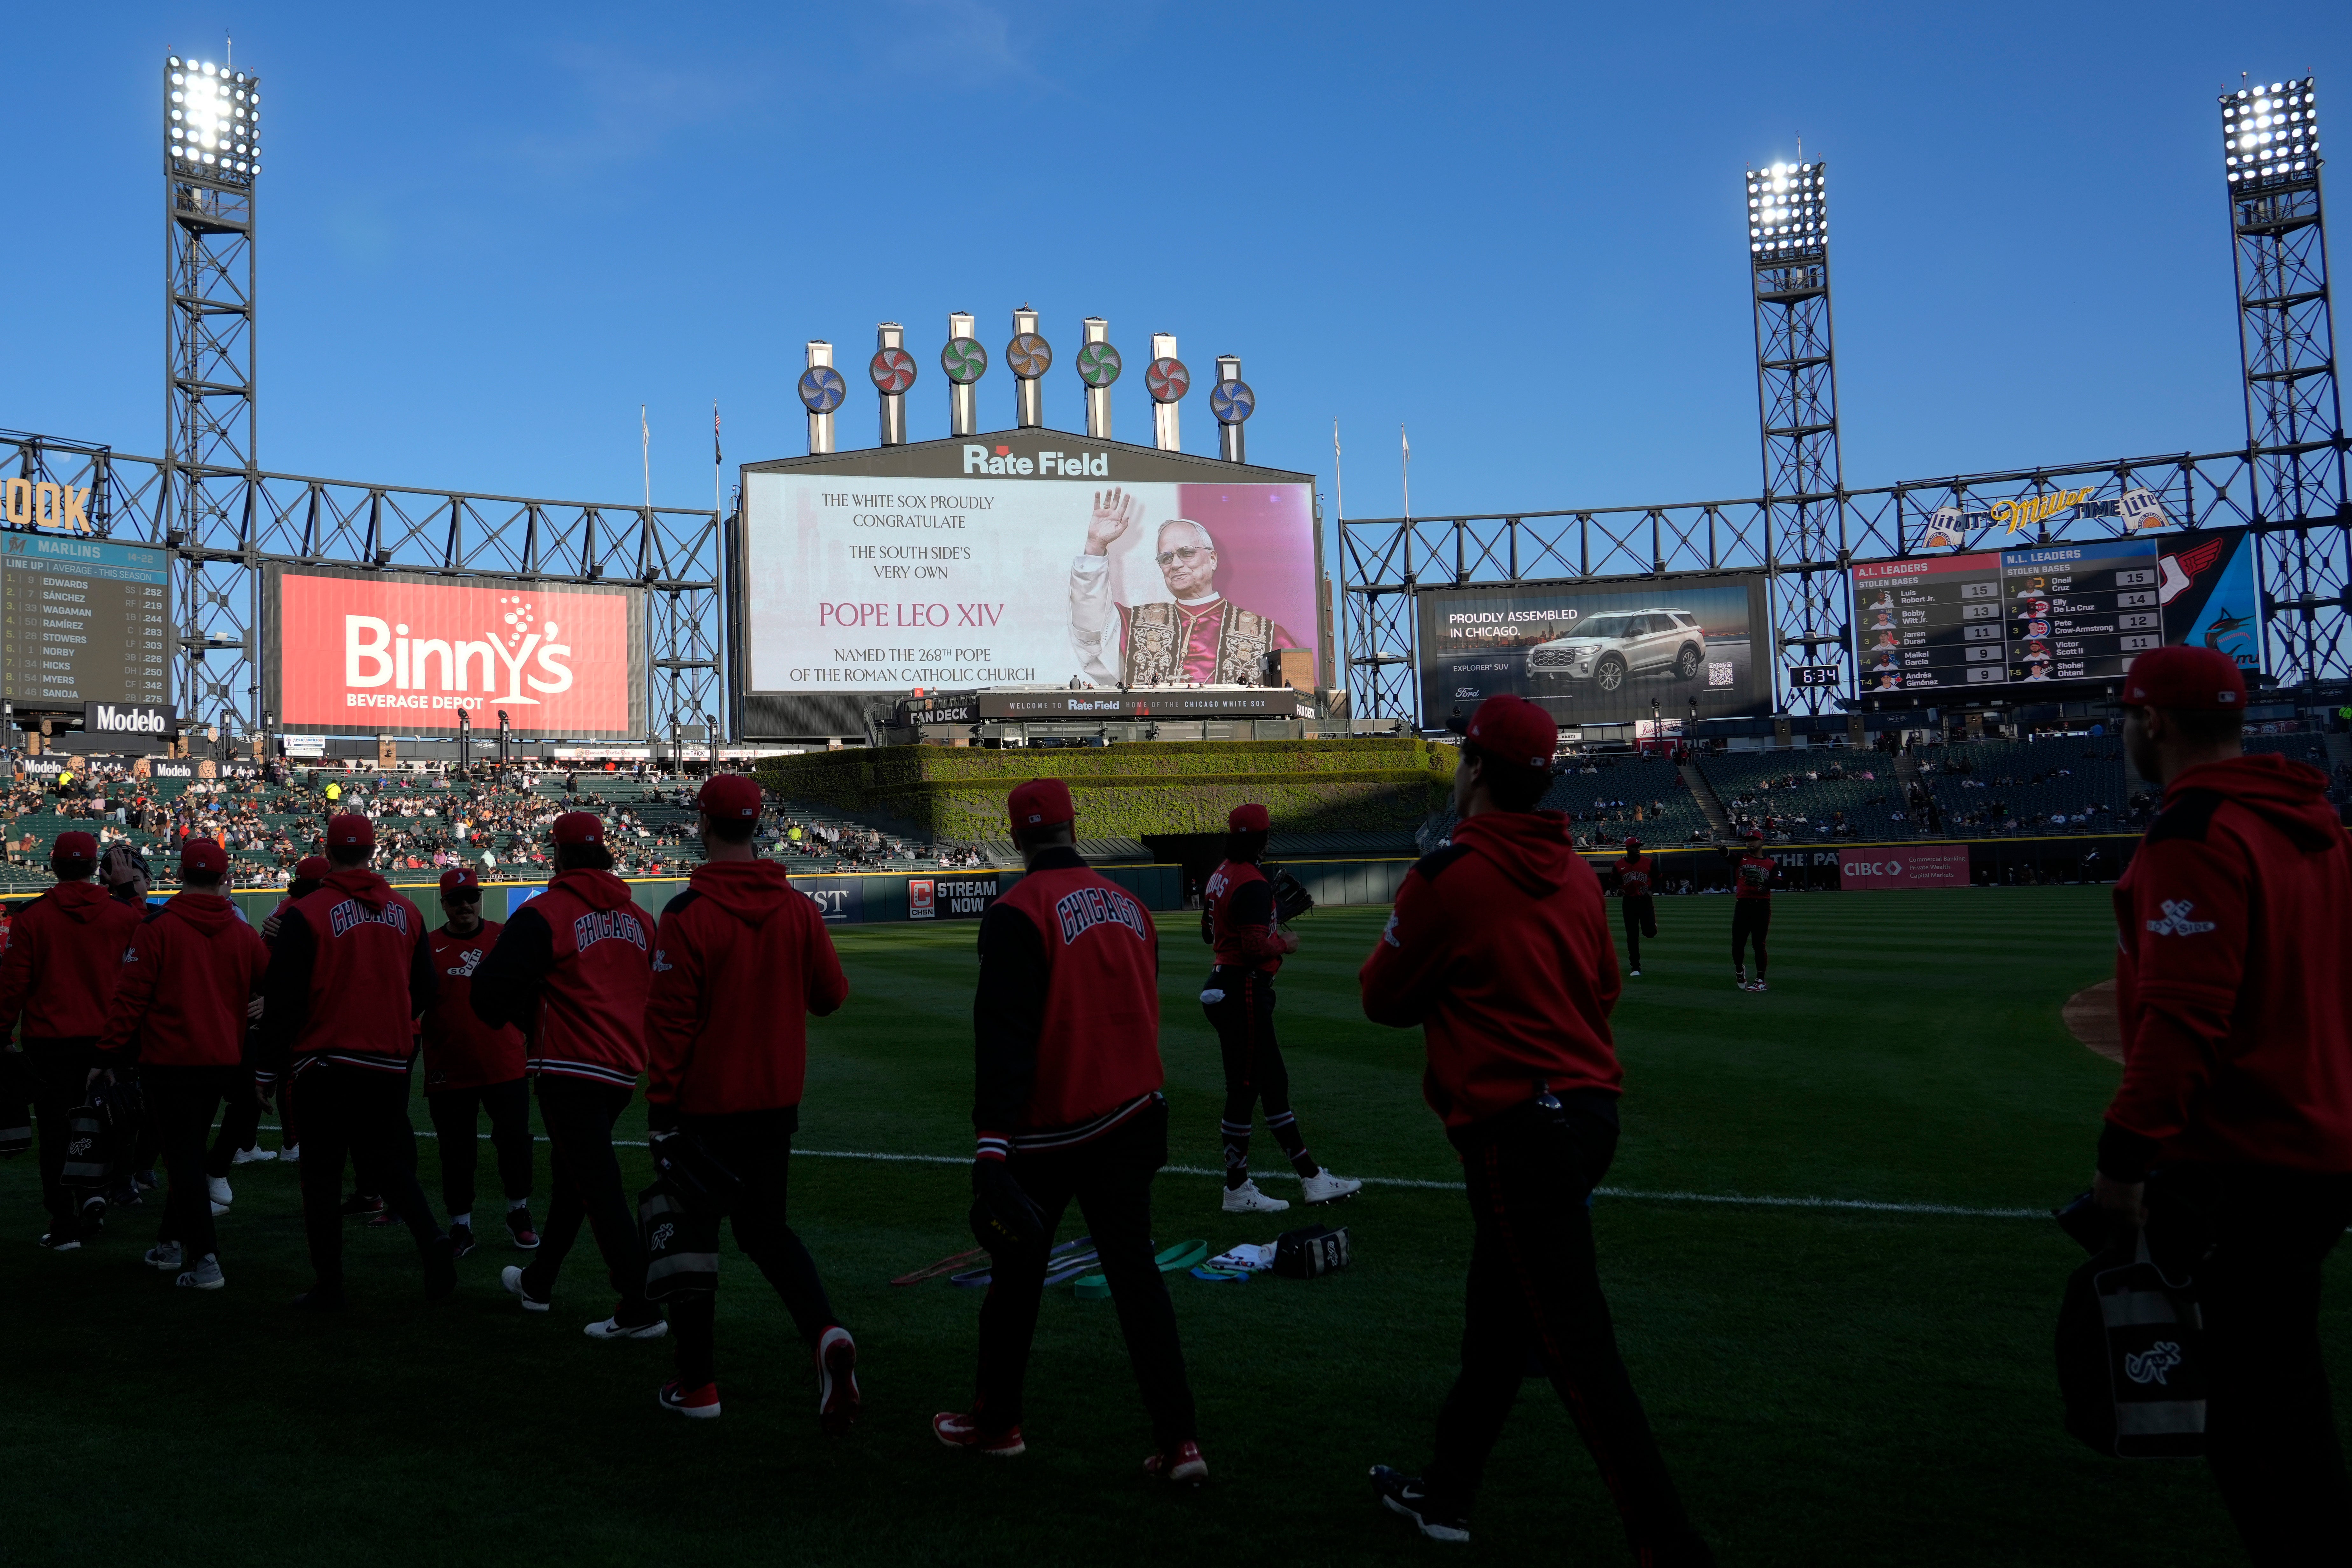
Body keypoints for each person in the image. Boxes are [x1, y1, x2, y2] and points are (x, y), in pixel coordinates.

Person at [1359, 694, 1710, 1562]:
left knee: (1576, 1346)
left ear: (1477, 769)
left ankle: (1668, 1544)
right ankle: (1445, 1493)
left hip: (1521, 1132)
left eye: (1463, 756)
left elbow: (1382, 998)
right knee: (1497, 1326)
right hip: (1587, 1115)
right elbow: (1603, 989)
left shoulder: (1449, 874)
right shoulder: (1577, 873)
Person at [2091, 644, 2352, 1565]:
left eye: (2129, 718)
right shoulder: (2313, 818)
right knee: (2283, 1395)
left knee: (2258, 1426)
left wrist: (2123, 1158)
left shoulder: (2194, 830)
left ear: (2152, 722)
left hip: (2244, 1158)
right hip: (2319, 1142)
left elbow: (2184, 1019)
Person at [934, 778, 1205, 1484]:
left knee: (1014, 1282)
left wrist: (990, 1145)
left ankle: (998, 1425)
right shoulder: (1131, 905)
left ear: (1015, 837)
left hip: (1050, 1134)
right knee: (1136, 1280)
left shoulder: (1016, 910)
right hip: (1134, 1116)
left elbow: (1003, 1036)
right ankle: (1181, 1443)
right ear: (1073, 827)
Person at [642, 773, 857, 1425]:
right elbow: (831, 996)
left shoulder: (687, 913)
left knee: (692, 1240)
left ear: (704, 825)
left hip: (704, 1110)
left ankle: (698, 1385)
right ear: (757, 824)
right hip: (773, 1106)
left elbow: (670, 1025)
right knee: (766, 1231)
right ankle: (824, 1330)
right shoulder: (797, 908)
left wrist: (660, 1112)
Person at [471, 811, 661, 1340]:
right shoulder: (641, 917)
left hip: (569, 1065)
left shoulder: (545, 912)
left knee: (597, 1185)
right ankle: (538, 1282)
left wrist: (528, 1016)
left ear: (556, 854)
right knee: (573, 1180)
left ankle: (640, 1306)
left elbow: (487, 994)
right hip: (622, 1069)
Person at [256, 814, 456, 1309]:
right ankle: (432, 1238)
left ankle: (329, 1284)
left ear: (328, 853)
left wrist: (265, 1069)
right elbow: (427, 988)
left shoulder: (308, 911)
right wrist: (388, 1017)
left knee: (321, 1176)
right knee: (386, 1162)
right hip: (388, 1060)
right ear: (373, 851)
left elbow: (283, 1001)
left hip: (325, 1061)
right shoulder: (406, 910)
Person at [91, 838, 269, 1291]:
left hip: (170, 1063)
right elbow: (275, 984)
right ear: (225, 878)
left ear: (181, 875)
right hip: (221, 1060)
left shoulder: (159, 926)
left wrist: (107, 1054)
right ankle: (170, 1244)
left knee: (183, 1161)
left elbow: (130, 999)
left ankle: (206, 1260)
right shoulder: (243, 932)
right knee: (186, 1154)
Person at [1199, 801, 1358, 1214]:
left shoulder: (1219, 874)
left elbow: (1209, 932)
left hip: (1225, 984)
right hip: (1243, 989)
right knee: (1245, 1088)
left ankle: (1311, 1177)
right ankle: (1237, 1188)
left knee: (1272, 1083)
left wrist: (1263, 918)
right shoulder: (1251, 881)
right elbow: (1254, 947)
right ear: (1264, 839)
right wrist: (1282, 942)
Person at [0, 831, 146, 1249]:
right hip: (109, 1040)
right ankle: (96, 1193)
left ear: (53, 865)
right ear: (94, 867)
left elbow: (13, 985)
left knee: (56, 1134)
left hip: (52, 1043)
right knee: (108, 1124)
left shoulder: (32, 916)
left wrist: (2, 1032)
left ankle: (65, 1224)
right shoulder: (122, 913)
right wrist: (127, 892)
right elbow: (146, 947)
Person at [420, 867, 537, 1258]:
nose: (465, 905)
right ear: (444, 904)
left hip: (505, 1062)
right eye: (456, 900)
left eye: (471, 897)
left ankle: (518, 1212)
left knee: (515, 1143)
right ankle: (461, 1225)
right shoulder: (429, 946)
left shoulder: (504, 937)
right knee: (456, 1151)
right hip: (449, 1065)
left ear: (480, 898)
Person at [1069, 492, 1301, 686]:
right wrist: (1095, 547)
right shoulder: (1136, 623)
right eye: (1166, 558)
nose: (1176, 564)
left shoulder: (1268, 635)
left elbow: (1300, 704)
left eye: (1187, 553)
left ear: (1213, 559)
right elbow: (1091, 631)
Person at [1727, 829, 1773, 991]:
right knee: (1737, 944)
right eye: (1747, 841)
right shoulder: (1741, 859)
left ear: (1762, 842)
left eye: (1753, 840)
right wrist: (1721, 848)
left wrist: (1763, 882)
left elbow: (1779, 882)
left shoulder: (1771, 864)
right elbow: (1728, 856)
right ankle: (1739, 970)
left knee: (1759, 945)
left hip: (1762, 906)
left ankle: (1761, 981)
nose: (1750, 843)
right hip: (1743, 906)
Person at [1614, 834, 1658, 977]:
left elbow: (1659, 879)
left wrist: (1651, 891)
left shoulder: (1649, 863)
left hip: (1645, 901)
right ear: (1628, 849)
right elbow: (1613, 882)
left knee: (1650, 933)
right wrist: (1618, 890)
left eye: (1639, 847)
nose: (1638, 849)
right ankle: (1635, 967)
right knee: (1632, 936)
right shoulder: (1619, 865)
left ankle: (1652, 925)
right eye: (1635, 847)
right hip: (1629, 903)